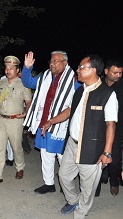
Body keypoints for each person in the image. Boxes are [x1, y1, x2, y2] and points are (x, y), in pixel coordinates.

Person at [41, 55, 118, 219]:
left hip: (92, 148)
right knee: (64, 176)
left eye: (81, 67)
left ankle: (81, 213)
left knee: (87, 187)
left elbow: (111, 124)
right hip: (72, 144)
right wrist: (51, 121)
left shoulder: (107, 94)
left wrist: (107, 152)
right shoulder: (80, 90)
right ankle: (73, 200)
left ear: (93, 70)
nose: (78, 70)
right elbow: (70, 110)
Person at [22, 51, 80, 194]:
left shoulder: (74, 80)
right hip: (44, 123)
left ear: (65, 63)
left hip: (62, 126)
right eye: (51, 61)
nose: (52, 63)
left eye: (56, 61)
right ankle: (49, 183)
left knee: (63, 156)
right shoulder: (45, 76)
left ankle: (66, 183)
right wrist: (27, 68)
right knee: (46, 154)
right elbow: (28, 82)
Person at [0, 55, 32, 184]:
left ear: (17, 70)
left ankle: (20, 167)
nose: (8, 70)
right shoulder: (2, 82)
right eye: (6, 67)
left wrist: (25, 113)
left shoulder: (23, 83)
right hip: (1, 119)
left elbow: (29, 102)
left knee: (16, 147)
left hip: (15, 120)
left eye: (11, 68)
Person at [95, 59, 123, 196]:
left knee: (115, 158)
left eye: (120, 73)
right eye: (115, 72)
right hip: (99, 127)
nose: (118, 75)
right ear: (106, 71)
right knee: (98, 153)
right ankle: (100, 180)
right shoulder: (98, 84)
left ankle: (114, 182)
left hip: (117, 128)